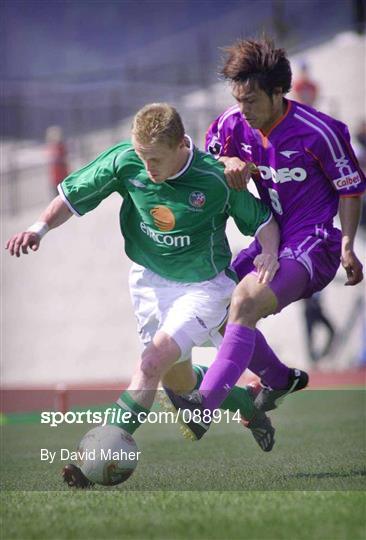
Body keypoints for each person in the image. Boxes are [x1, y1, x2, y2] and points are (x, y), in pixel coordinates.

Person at [6, 103, 283, 487]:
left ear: (180, 146)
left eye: (155, 159)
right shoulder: (126, 161)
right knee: (179, 387)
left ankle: (91, 464)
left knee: (151, 363)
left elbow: (264, 221)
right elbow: (71, 197)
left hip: (202, 288)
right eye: (142, 157)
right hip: (148, 282)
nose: (147, 167)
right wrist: (38, 229)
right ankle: (248, 405)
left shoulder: (214, 178)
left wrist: (269, 252)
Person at [164, 38, 365, 440]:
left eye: (252, 100)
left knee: (244, 300)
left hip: (315, 242)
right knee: (216, 300)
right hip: (269, 237)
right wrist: (228, 162)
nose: (244, 109)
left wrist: (347, 244)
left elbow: (350, 188)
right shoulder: (230, 125)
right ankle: (276, 377)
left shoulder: (321, 132)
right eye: (238, 99)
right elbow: (207, 165)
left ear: (278, 93)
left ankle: (205, 404)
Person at [303, 294, 336, 363]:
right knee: (310, 335)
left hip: (317, 310)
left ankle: (325, 352)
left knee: (331, 330)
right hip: (310, 310)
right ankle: (313, 358)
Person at [45, 125, 69, 198]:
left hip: (63, 178)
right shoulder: (50, 147)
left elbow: (60, 159)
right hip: (55, 179)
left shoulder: (61, 146)